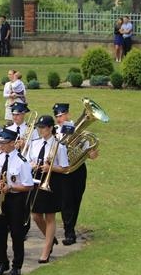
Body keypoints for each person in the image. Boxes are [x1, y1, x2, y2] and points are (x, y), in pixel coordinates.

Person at [0, 129, 33, 275]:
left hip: (15, 199)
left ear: (12, 143)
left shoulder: (21, 161)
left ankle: (17, 265)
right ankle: (2, 261)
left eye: (4, 143)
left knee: (17, 233)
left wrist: (11, 187)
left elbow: (28, 185)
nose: (0, 146)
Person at [24, 115, 69, 263]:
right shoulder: (35, 143)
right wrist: (32, 165)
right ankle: (50, 238)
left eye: (43, 127)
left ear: (50, 128)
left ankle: (46, 249)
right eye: (39, 127)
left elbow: (65, 168)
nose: (40, 130)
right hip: (36, 178)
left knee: (50, 216)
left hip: (52, 180)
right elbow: (27, 160)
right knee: (36, 215)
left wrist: (50, 168)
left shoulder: (59, 146)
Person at [53, 103, 97, 246]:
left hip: (77, 169)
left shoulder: (77, 129)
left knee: (76, 200)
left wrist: (91, 153)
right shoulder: (54, 131)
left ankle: (70, 229)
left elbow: (89, 151)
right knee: (66, 201)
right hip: (62, 170)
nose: (59, 118)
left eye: (61, 115)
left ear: (68, 114)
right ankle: (69, 232)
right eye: (57, 116)